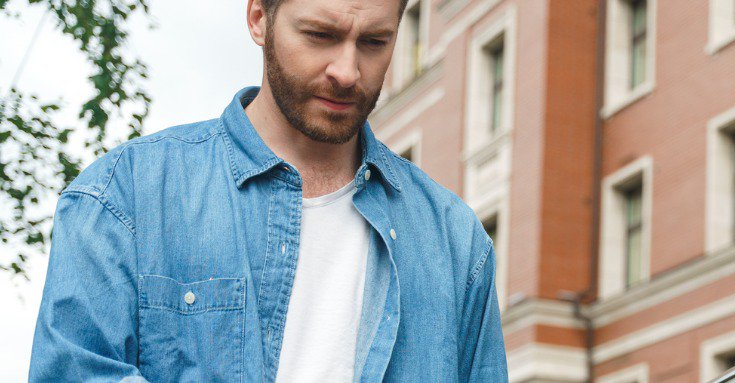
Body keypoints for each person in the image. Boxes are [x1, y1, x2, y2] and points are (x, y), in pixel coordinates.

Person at [27, 0, 507, 381]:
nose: (347, 71)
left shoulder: (456, 242)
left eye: (375, 42)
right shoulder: (126, 195)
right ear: (259, 18)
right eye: (320, 35)